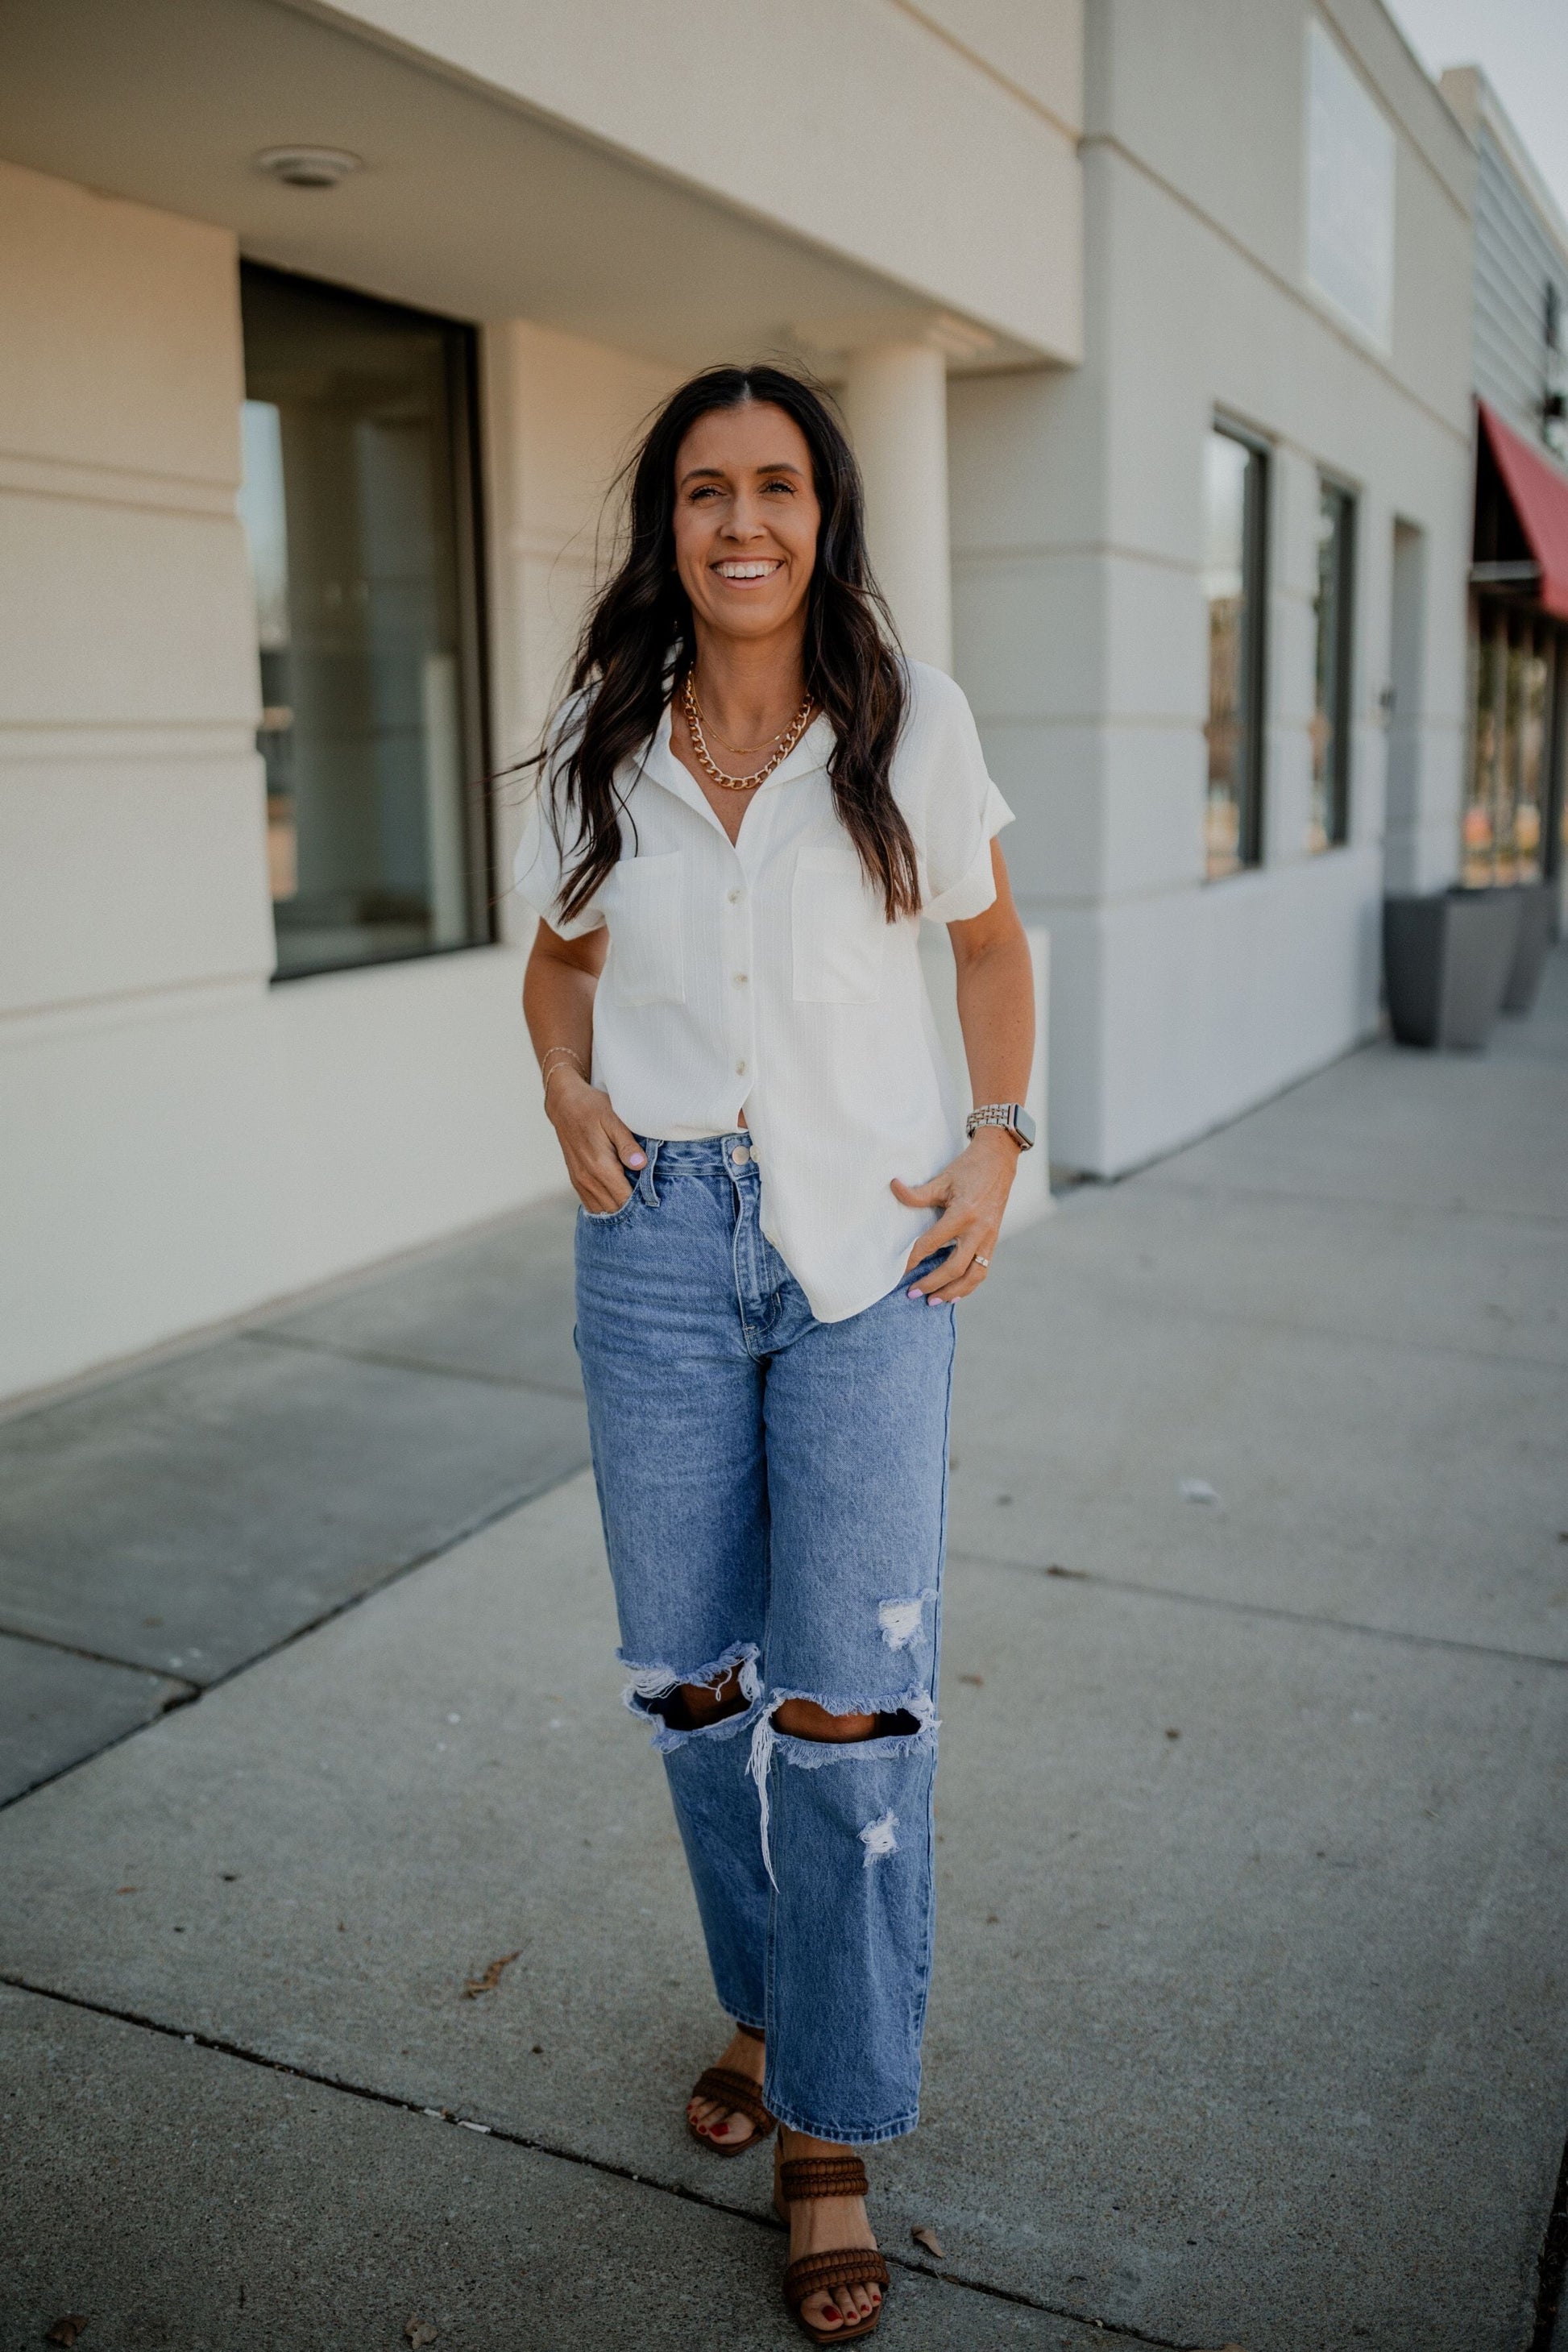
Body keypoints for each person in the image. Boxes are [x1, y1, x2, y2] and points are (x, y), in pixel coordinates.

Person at [515, 363, 1035, 2342]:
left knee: (846, 1702)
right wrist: (563, 1087)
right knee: (695, 1684)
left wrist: (995, 1140)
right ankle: (768, 1992)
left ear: (825, 515)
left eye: (780, 486)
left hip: (860, 1253)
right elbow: (562, 966)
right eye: (708, 490)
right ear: (671, 521)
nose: (745, 521)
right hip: (650, 1250)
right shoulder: (599, 737)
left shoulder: (907, 722)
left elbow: (988, 947)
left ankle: (829, 2123)